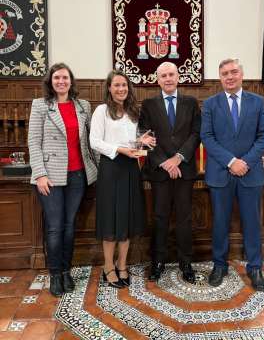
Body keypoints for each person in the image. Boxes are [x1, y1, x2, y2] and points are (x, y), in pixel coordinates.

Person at [200, 58, 264, 291]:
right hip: (221, 172)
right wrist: (231, 162)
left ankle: (255, 267)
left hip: (250, 174)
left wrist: (245, 163)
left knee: (252, 223)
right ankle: (219, 265)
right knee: (220, 222)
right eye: (224, 74)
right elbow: (207, 137)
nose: (229, 77)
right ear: (219, 78)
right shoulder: (210, 104)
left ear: (242, 74)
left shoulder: (258, 102)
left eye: (233, 72)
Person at [28, 62, 97, 297]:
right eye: (57, 78)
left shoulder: (83, 106)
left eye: (65, 78)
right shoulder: (40, 105)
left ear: (71, 81)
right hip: (50, 176)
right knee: (55, 227)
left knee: (69, 227)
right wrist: (39, 174)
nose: (61, 82)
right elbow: (33, 142)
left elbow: (90, 141)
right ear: (50, 81)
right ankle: (55, 274)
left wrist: (98, 168)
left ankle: (67, 270)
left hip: (78, 173)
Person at [90, 70, 155, 288]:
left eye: (124, 85)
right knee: (111, 220)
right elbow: (95, 141)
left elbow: (131, 142)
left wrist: (141, 140)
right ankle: (108, 267)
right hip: (110, 168)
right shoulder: (101, 111)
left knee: (126, 220)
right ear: (109, 88)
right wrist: (120, 149)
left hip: (130, 168)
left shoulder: (133, 111)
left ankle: (122, 265)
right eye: (117, 85)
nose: (121, 89)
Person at [139, 62, 200, 284]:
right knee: (160, 217)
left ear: (178, 76)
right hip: (160, 172)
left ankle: (186, 262)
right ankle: (158, 261)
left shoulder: (191, 103)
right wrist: (165, 162)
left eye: (171, 74)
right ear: (158, 80)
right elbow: (144, 137)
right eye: (163, 75)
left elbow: (195, 134)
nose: (168, 78)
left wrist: (178, 158)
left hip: (184, 169)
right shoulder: (148, 104)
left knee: (184, 218)